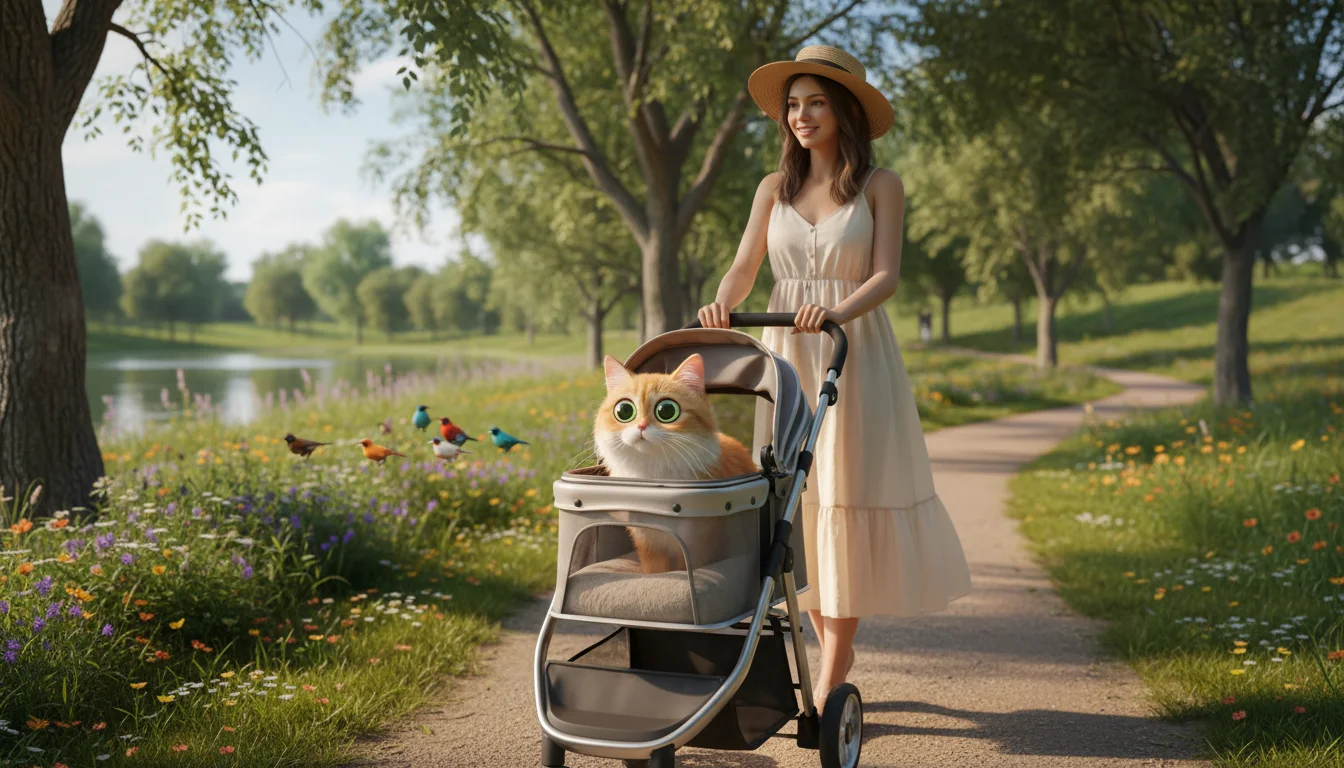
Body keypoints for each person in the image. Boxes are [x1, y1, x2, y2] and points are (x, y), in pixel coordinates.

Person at [697, 45, 972, 707]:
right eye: (792, 105)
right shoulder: (773, 188)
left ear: (845, 109)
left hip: (851, 349)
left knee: (843, 498)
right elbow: (744, 266)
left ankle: (830, 675)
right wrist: (721, 302)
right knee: (797, 505)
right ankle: (830, 660)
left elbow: (886, 275)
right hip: (786, 359)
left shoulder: (882, 186)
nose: (801, 115)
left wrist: (837, 310)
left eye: (815, 102)